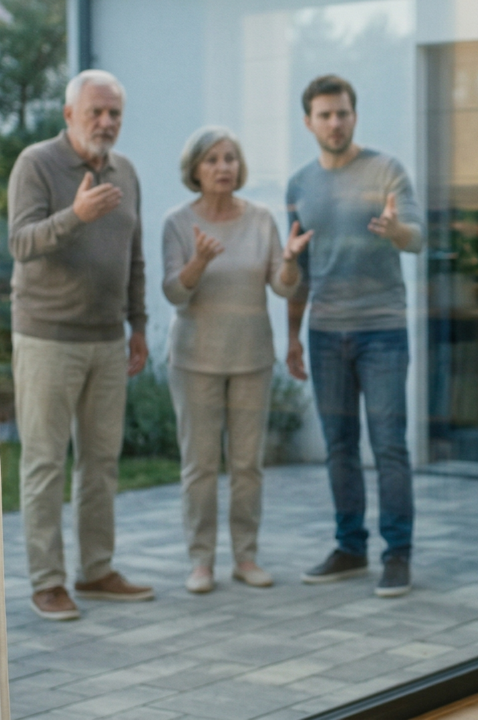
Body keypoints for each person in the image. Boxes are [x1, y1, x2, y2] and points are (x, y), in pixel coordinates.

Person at [8, 69, 156, 621]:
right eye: (95, 111)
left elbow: (134, 258)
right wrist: (76, 216)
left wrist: (137, 325)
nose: (106, 122)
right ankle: (46, 582)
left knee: (101, 462)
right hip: (47, 337)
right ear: (69, 114)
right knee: (45, 462)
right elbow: (21, 243)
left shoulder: (127, 172)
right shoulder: (36, 164)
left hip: (106, 338)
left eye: (114, 113)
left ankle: (96, 570)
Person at [285, 74, 423, 598]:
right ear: (309, 122)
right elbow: (296, 265)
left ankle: (398, 554)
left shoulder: (386, 170)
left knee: (388, 445)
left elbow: (416, 238)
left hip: (382, 332)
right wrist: (293, 336)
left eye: (342, 113)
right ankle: (349, 547)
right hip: (324, 334)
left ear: (354, 115)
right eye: (324, 115)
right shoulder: (299, 184)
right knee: (339, 446)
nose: (335, 122)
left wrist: (396, 231)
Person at [162, 127, 312, 593]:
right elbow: (174, 293)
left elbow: (283, 286)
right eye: (211, 160)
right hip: (194, 361)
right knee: (200, 466)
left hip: (250, 359)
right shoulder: (177, 223)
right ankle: (201, 562)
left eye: (230, 158)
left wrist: (288, 261)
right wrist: (200, 261)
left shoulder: (262, 219)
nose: (223, 167)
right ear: (194, 170)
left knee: (247, 464)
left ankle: (246, 558)